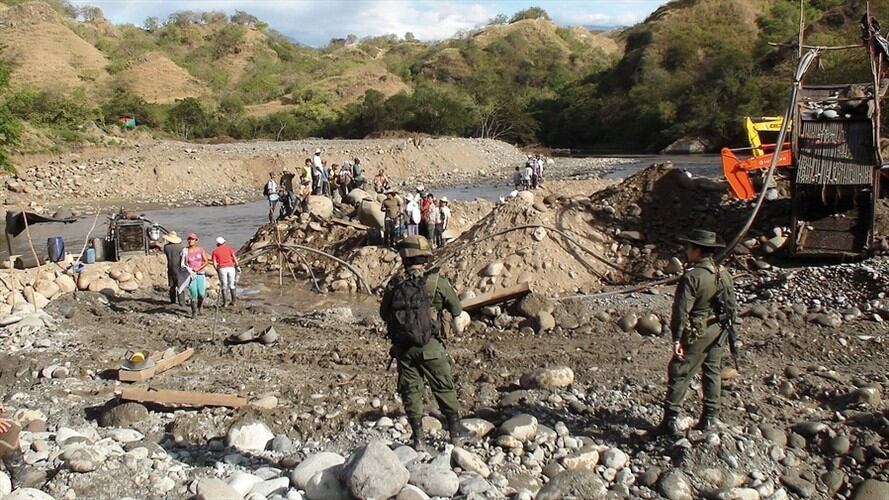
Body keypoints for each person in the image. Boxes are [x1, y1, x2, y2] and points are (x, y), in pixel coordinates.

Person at [380, 235, 469, 450]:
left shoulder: (395, 284)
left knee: (411, 391)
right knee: (444, 386)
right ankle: (456, 434)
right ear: (425, 257)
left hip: (404, 349)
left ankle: (418, 439)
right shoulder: (436, 282)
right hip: (431, 347)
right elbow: (457, 309)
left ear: (405, 258)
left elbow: (384, 314)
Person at [654, 229, 737, 436]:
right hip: (718, 329)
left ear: (697, 250)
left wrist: (676, 339)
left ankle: (669, 422)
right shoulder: (723, 273)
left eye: (689, 247)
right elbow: (731, 306)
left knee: (680, 371)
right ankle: (709, 418)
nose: (686, 250)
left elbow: (681, 311)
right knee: (712, 371)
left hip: (697, 331)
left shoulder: (693, 277)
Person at [180, 233, 211, 317]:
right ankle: (194, 312)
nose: (190, 241)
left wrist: (199, 267)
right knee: (194, 293)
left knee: (201, 293)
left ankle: (200, 306)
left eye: (192, 239)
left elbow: (206, 261)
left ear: (196, 240)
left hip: (200, 273)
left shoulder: (200, 250)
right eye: (189, 239)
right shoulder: (185, 251)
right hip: (191, 275)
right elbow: (182, 264)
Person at [211, 237, 240, 307]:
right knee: (232, 284)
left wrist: (217, 270)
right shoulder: (229, 248)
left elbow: (214, 263)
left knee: (224, 285)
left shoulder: (214, 251)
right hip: (231, 267)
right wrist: (237, 265)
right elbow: (234, 257)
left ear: (217, 244)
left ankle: (225, 303)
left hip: (222, 268)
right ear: (224, 242)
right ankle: (234, 302)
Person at [161, 231, 186, 305]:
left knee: (172, 286)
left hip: (170, 267)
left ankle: (172, 301)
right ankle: (181, 302)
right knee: (180, 285)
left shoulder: (166, 247)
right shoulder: (181, 247)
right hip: (178, 268)